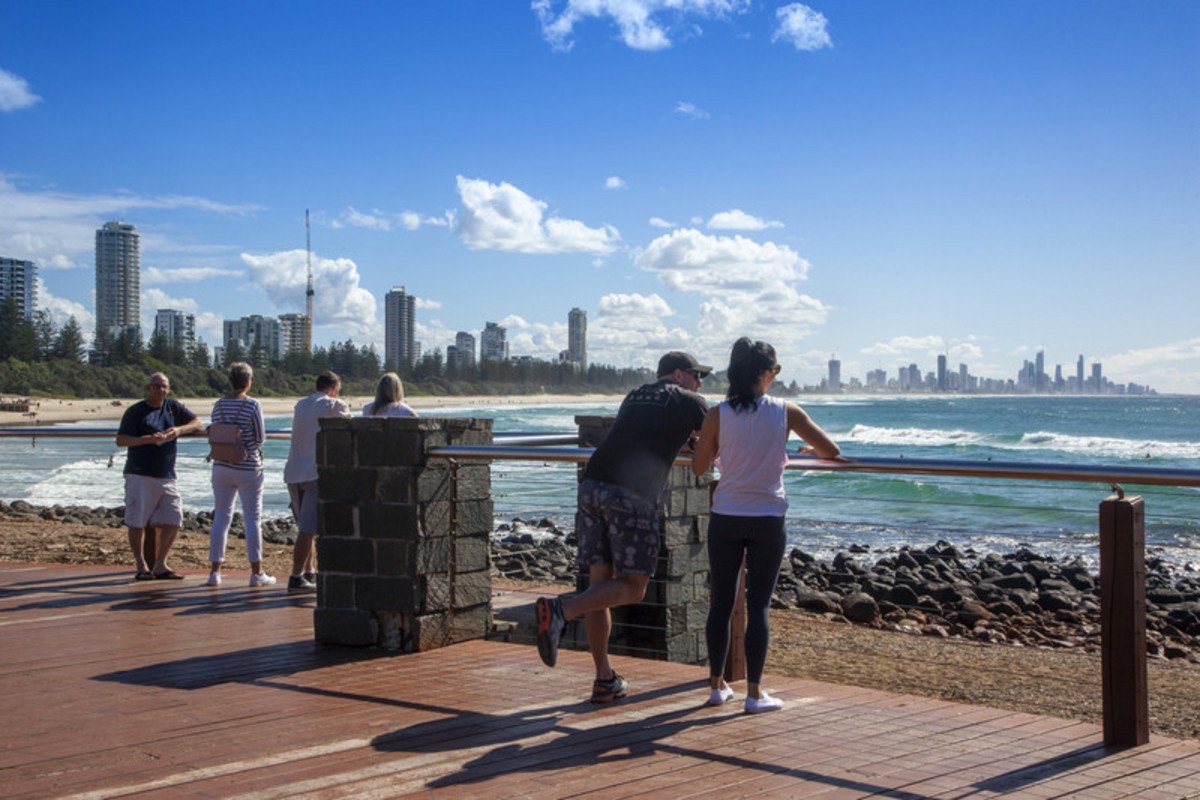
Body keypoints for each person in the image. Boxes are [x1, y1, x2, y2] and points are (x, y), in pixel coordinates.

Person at [536, 351, 710, 703]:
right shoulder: (691, 401)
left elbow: (641, 434)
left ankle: (604, 680)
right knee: (632, 588)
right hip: (630, 494)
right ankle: (560, 610)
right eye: (696, 374)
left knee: (599, 590)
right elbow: (709, 454)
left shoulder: (635, 395)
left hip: (592, 485)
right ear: (678, 375)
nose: (700, 382)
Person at [691, 338, 841, 713]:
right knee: (757, 606)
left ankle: (716, 686)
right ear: (763, 373)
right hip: (767, 518)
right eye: (775, 370)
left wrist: (715, 448)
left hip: (726, 515)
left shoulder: (717, 414)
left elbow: (698, 467)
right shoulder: (786, 412)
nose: (776, 375)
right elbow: (831, 451)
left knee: (721, 603)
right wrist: (797, 452)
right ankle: (755, 695)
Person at [115, 372, 204, 580]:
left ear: (169, 389)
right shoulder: (136, 411)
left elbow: (198, 423)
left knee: (174, 519)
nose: (160, 390)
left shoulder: (172, 407)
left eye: (164, 386)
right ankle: (141, 564)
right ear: (148, 388)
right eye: (156, 386)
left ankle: (160, 563)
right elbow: (121, 440)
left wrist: (178, 430)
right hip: (139, 473)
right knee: (137, 521)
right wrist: (147, 440)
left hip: (167, 474)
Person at [282, 371, 350, 593]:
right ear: (333, 388)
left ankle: (309, 572)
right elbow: (348, 425)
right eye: (338, 389)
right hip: (313, 472)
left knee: (304, 526)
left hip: (293, 471)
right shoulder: (332, 405)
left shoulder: (301, 404)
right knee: (308, 529)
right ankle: (296, 576)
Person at [206, 362, 271, 587]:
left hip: (221, 465)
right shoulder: (253, 405)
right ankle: (256, 572)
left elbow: (215, 430)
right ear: (248, 382)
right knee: (253, 519)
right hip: (247, 467)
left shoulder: (219, 405)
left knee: (221, 518)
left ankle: (215, 572)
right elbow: (260, 437)